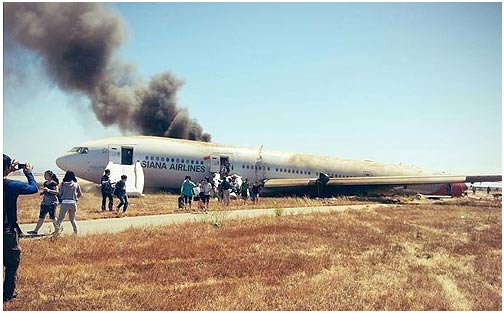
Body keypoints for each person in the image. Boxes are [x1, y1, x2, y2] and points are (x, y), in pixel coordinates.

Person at [3, 154, 38, 301]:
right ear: (8, 167)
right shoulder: (11, 185)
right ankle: (8, 293)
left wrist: (7, 170)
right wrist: (28, 172)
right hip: (7, 230)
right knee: (12, 263)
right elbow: (33, 188)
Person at [27, 170, 59, 235]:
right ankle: (35, 231)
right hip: (45, 202)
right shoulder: (45, 183)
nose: (45, 176)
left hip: (52, 202)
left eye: (46, 175)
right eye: (44, 175)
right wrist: (42, 192)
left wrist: (49, 190)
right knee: (41, 217)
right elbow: (45, 191)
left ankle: (57, 230)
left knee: (52, 217)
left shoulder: (54, 183)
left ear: (50, 176)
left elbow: (56, 192)